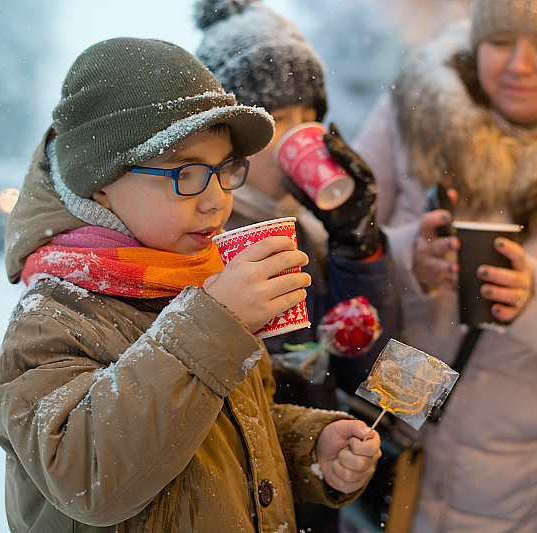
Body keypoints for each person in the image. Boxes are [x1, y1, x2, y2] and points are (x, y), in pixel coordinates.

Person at [0, 37, 381, 533]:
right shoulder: (53, 318)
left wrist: (311, 446)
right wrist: (215, 324)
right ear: (101, 183)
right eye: (186, 173)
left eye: (223, 171)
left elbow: (223, 432)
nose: (216, 199)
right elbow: (87, 477)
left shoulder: (196, 278)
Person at [353, 0, 537, 530]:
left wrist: (535, 299)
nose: (518, 65)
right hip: (389, 420)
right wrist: (406, 256)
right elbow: (333, 249)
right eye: (499, 43)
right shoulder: (415, 110)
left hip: (511, 462)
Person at [193, 2, 401, 531]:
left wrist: (359, 243)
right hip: (250, 502)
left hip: (313, 491)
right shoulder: (205, 240)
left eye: (309, 116)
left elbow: (366, 368)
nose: (299, 134)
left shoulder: (305, 227)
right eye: (277, 119)